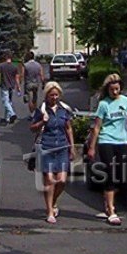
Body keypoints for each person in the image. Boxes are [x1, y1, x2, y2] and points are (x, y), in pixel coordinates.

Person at [88, 73, 127, 226]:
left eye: (117, 89)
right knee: (110, 173)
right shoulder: (104, 104)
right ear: (107, 90)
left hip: (122, 141)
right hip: (106, 140)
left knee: (121, 174)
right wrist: (92, 147)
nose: (114, 92)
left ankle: (108, 203)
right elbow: (97, 127)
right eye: (111, 90)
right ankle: (111, 209)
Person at [30, 81, 75, 223]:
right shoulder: (41, 110)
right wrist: (42, 122)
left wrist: (72, 147)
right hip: (46, 147)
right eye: (51, 95)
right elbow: (32, 128)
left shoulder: (64, 109)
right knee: (49, 180)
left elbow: (68, 128)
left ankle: (53, 201)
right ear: (47, 96)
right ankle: (49, 211)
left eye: (56, 95)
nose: (54, 97)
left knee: (61, 181)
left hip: (62, 147)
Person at [0, 52, 21, 123]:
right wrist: (18, 87)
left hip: (4, 85)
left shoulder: (1, 65)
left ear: (5, 58)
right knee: (9, 101)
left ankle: (12, 114)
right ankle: (7, 118)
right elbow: (17, 77)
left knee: (5, 101)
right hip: (12, 86)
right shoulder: (14, 66)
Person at [23, 51, 44, 119]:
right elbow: (41, 75)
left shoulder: (26, 65)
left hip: (29, 83)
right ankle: (35, 112)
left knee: (30, 99)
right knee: (35, 98)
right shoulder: (38, 65)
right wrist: (43, 83)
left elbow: (23, 75)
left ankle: (32, 113)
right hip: (36, 84)